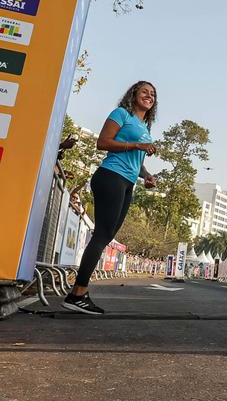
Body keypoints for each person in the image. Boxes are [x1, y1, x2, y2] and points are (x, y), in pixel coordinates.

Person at [63, 81, 158, 315]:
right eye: (145, 91)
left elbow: (136, 161)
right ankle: (77, 294)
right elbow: (102, 143)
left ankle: (77, 293)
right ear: (134, 94)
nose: (149, 95)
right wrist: (136, 144)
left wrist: (146, 175)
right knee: (101, 235)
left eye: (153, 94)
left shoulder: (144, 127)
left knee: (105, 237)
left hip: (127, 183)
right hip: (111, 177)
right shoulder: (122, 114)